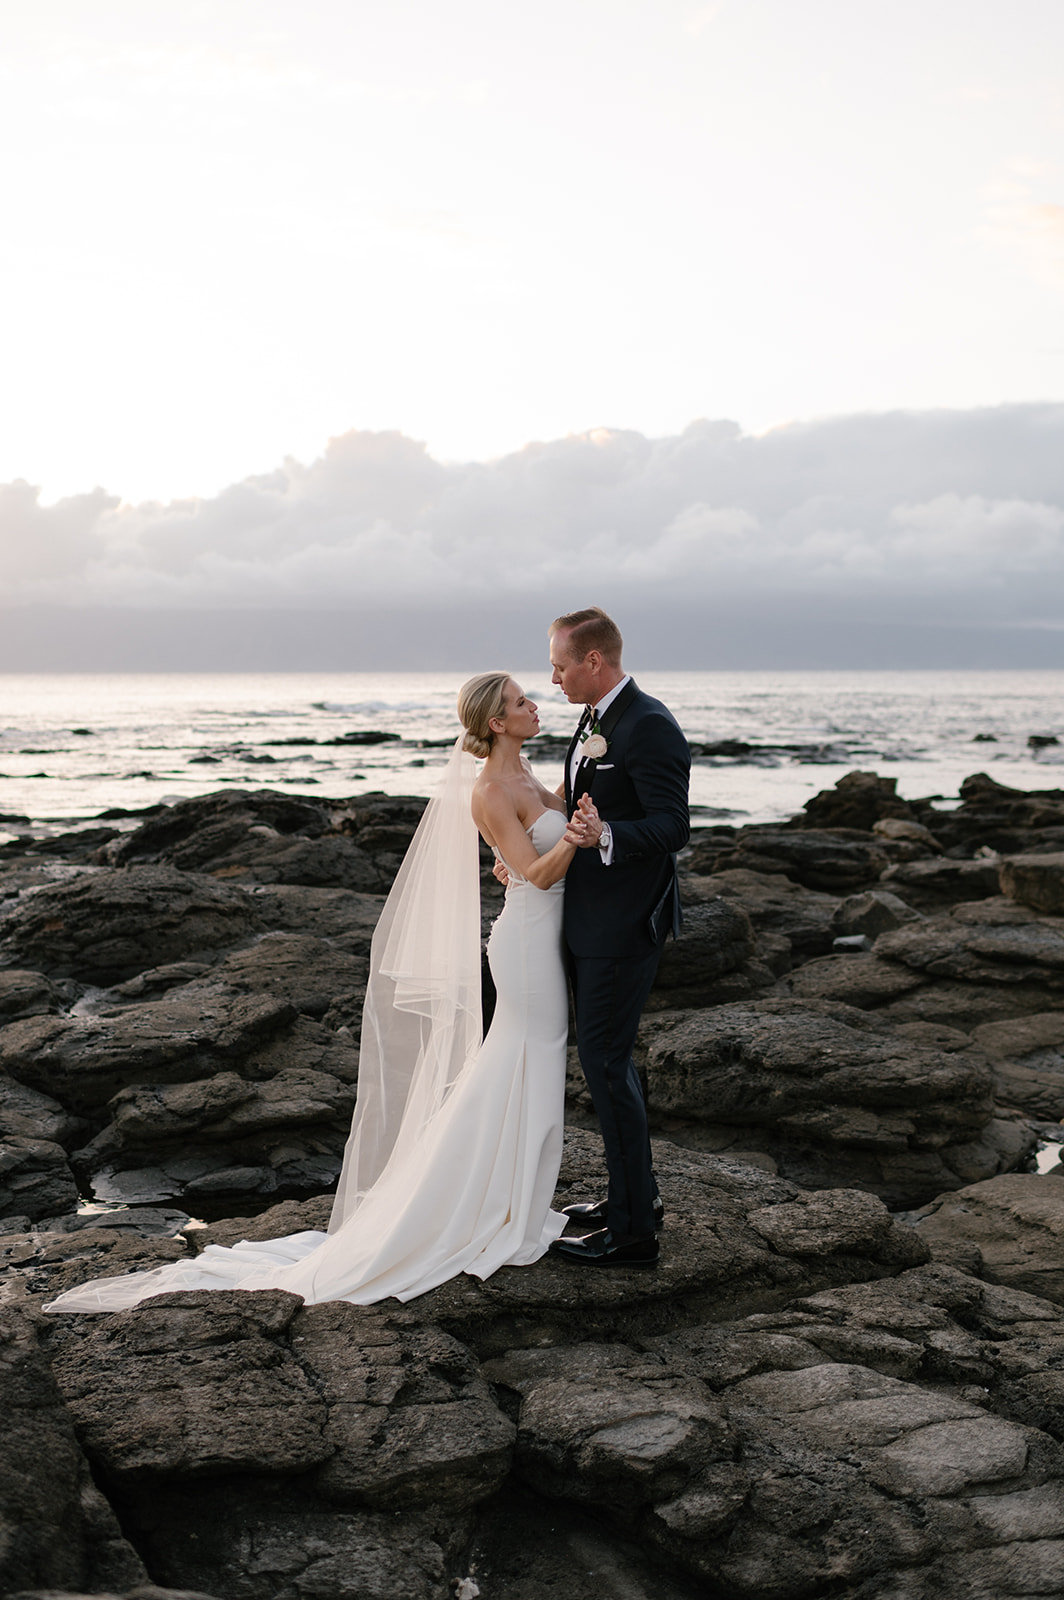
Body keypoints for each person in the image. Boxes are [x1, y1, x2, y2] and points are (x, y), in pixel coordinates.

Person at [44, 673, 593, 1314]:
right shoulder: (491, 789)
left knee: (525, 1065)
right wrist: (578, 841)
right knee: (523, 1061)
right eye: (521, 701)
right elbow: (531, 872)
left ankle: (507, 1195)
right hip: (527, 945)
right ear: (497, 722)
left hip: (545, 940)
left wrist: (574, 814)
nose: (534, 705)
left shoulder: (530, 777)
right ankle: (484, 1203)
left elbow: (523, 846)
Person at [545, 607, 690, 1269]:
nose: (553, 679)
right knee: (609, 1066)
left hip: (622, 927)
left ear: (594, 661)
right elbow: (578, 797)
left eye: (561, 665)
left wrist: (605, 835)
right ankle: (636, 1197)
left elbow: (671, 826)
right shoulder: (595, 718)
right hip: (589, 919)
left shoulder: (649, 724)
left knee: (605, 1067)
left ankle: (633, 1234)